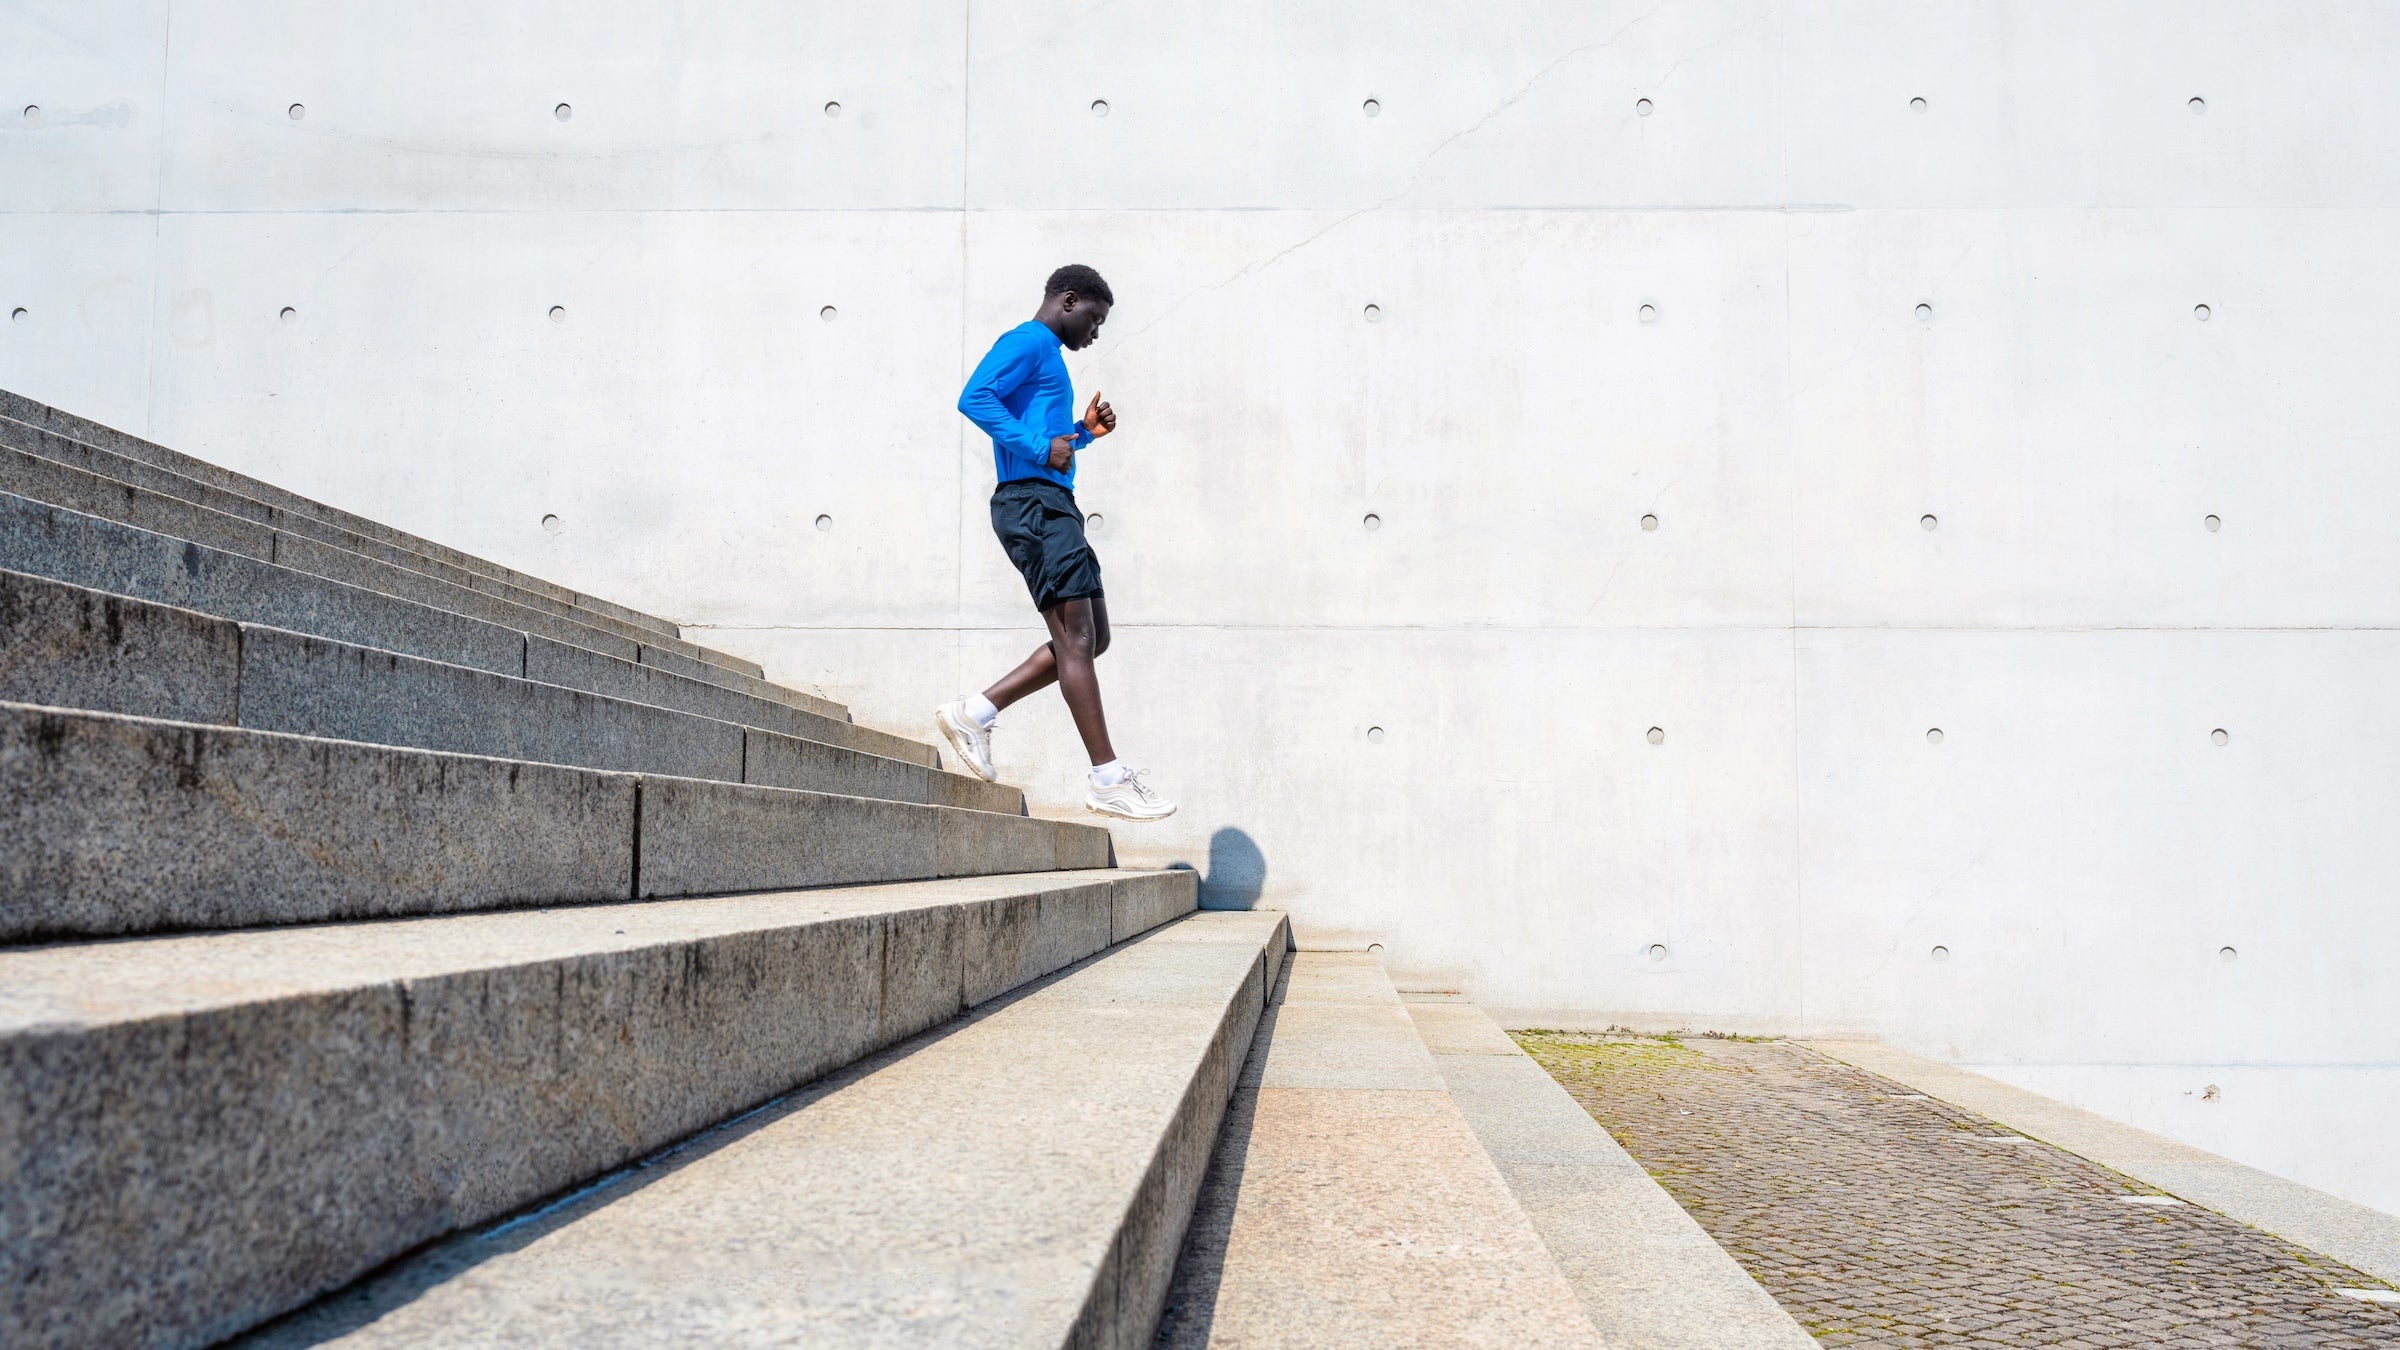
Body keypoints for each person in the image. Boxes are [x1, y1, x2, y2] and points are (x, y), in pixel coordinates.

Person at [936, 264, 1176, 822]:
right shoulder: (1029, 341)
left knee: (1094, 639)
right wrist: (1045, 449)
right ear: (1067, 301)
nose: (1095, 334)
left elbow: (1046, 441)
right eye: (1093, 320)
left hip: (1050, 502)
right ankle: (1107, 776)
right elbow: (975, 398)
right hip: (1033, 504)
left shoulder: (1047, 357)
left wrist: (1081, 435)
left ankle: (976, 711)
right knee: (1078, 641)